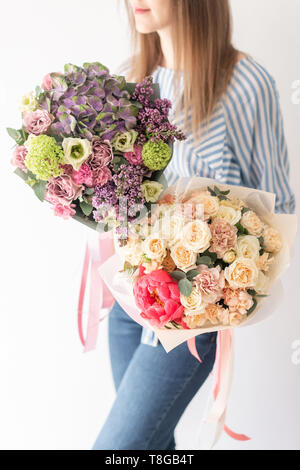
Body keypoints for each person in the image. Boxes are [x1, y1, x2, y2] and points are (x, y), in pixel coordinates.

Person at [92, 0, 296, 450]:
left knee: (119, 447)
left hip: (189, 319)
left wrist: (227, 281)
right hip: (130, 303)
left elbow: (279, 204)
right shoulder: (132, 77)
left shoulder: (246, 84)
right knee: (149, 446)